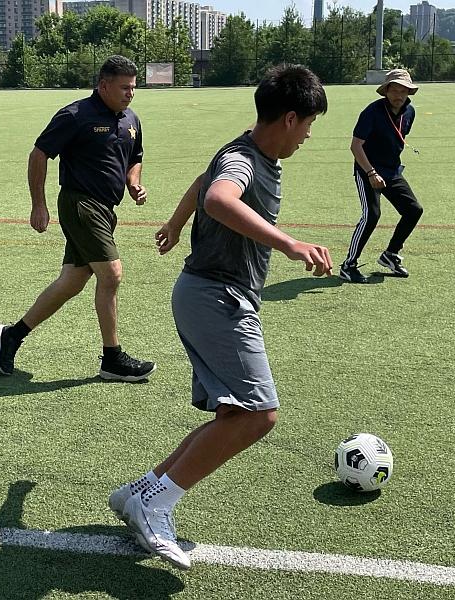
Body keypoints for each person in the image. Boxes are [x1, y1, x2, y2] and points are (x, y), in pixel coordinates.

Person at [107, 64, 332, 570]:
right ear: (290, 118)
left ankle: (138, 492)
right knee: (259, 414)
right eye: (309, 127)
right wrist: (290, 243)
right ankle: (156, 503)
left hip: (207, 294)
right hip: (216, 297)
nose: (308, 138)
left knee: (234, 414)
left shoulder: (246, 152)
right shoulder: (244, 159)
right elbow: (218, 193)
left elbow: (202, 182)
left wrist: (175, 221)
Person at [0, 55, 155, 382]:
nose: (130, 94)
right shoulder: (75, 115)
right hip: (80, 203)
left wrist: (134, 183)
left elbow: (134, 157)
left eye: (133, 88)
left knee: (72, 282)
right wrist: (38, 204)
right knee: (111, 275)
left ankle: (12, 335)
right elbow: (39, 153)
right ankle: (113, 359)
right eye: (124, 87)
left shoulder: (131, 119)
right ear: (104, 85)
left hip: (107, 209)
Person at [339, 68, 424, 283]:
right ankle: (349, 265)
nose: (398, 95)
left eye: (403, 90)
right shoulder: (372, 112)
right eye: (394, 90)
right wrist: (370, 172)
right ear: (386, 91)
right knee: (372, 215)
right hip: (367, 169)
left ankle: (390, 254)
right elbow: (356, 146)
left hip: (392, 170)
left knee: (413, 210)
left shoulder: (410, 112)